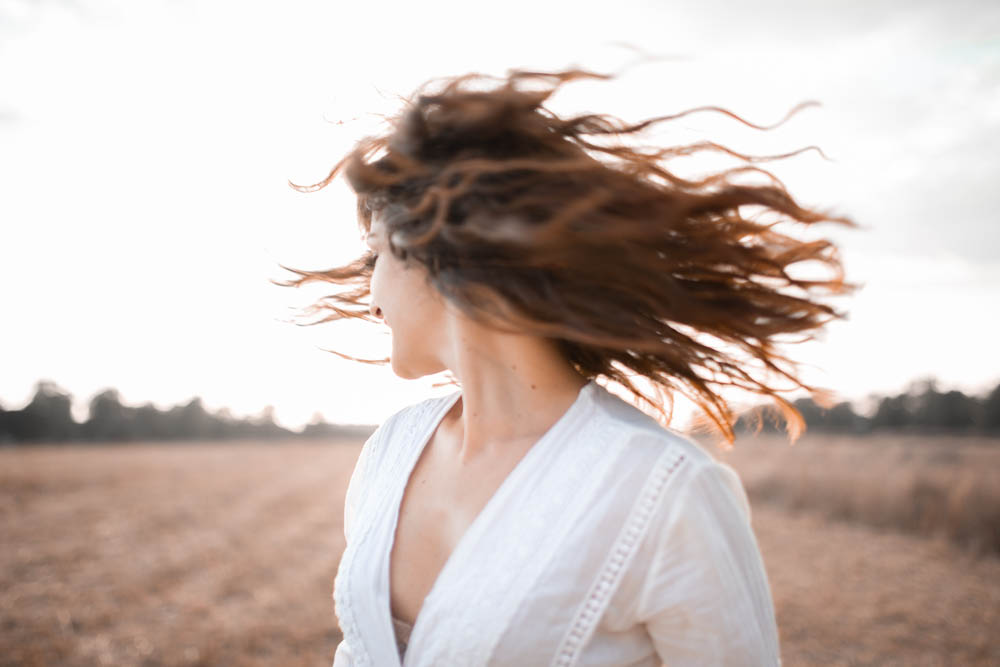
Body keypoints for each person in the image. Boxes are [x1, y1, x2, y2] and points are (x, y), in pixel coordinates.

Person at [278, 66, 854, 666]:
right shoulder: (390, 450)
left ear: (440, 248)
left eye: (375, 256)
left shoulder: (665, 491)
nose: (369, 298)